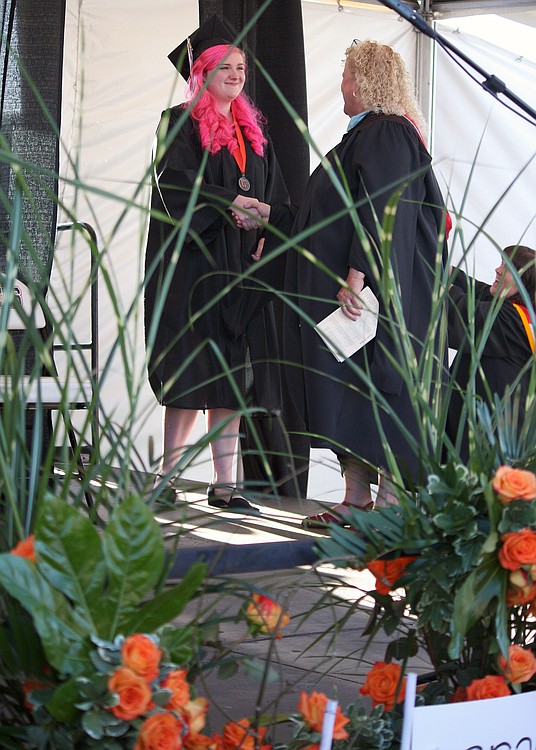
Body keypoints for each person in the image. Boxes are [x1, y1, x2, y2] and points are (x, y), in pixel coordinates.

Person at [236, 40, 450, 527]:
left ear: (368, 81)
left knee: (380, 394)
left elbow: (384, 207)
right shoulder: (364, 136)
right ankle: (355, 500)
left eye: (349, 75)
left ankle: (391, 505)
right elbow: (326, 217)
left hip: (371, 303)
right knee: (347, 397)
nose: (342, 85)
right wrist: (272, 216)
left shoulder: (389, 134)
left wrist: (358, 274)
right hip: (350, 305)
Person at [144, 16, 291, 510]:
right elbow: (174, 186)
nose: (235, 74)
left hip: (240, 269)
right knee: (191, 373)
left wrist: (267, 232)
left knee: (232, 372)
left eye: (241, 67)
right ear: (202, 71)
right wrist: (229, 202)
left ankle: (225, 484)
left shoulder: (254, 135)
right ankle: (167, 477)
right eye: (224, 66)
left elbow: (275, 196)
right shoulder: (177, 122)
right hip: (196, 266)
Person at [447, 245, 535, 462]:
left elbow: (464, 312)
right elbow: (475, 288)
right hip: (477, 425)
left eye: (508, 268)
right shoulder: (511, 308)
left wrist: (434, 281)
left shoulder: (514, 321)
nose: (497, 270)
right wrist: (439, 265)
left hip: (492, 435)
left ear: (525, 284)